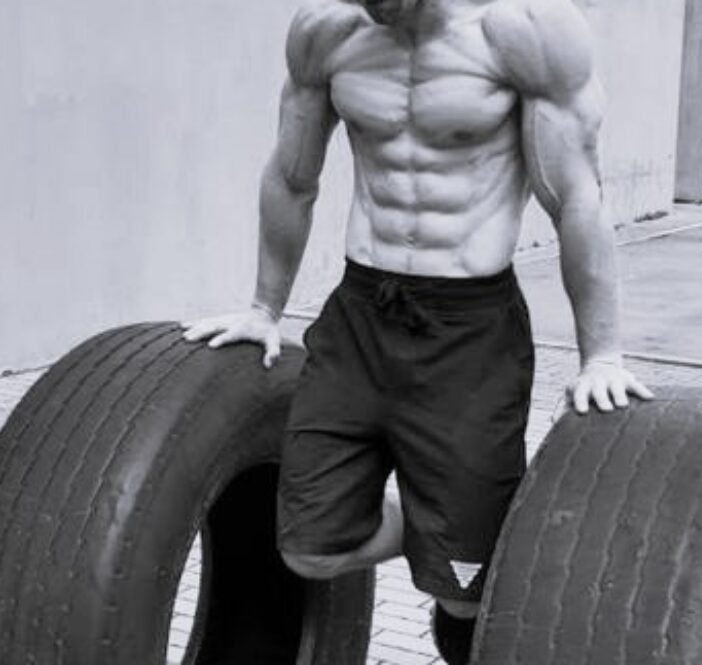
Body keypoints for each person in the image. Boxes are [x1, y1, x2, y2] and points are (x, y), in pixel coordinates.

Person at [182, 0, 652, 661]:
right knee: (308, 549)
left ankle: (462, 546)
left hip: (469, 330)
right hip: (359, 314)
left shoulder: (526, 32)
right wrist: (264, 307)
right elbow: (292, 178)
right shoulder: (327, 32)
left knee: (464, 594)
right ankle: (421, 530)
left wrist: (601, 353)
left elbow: (578, 197)